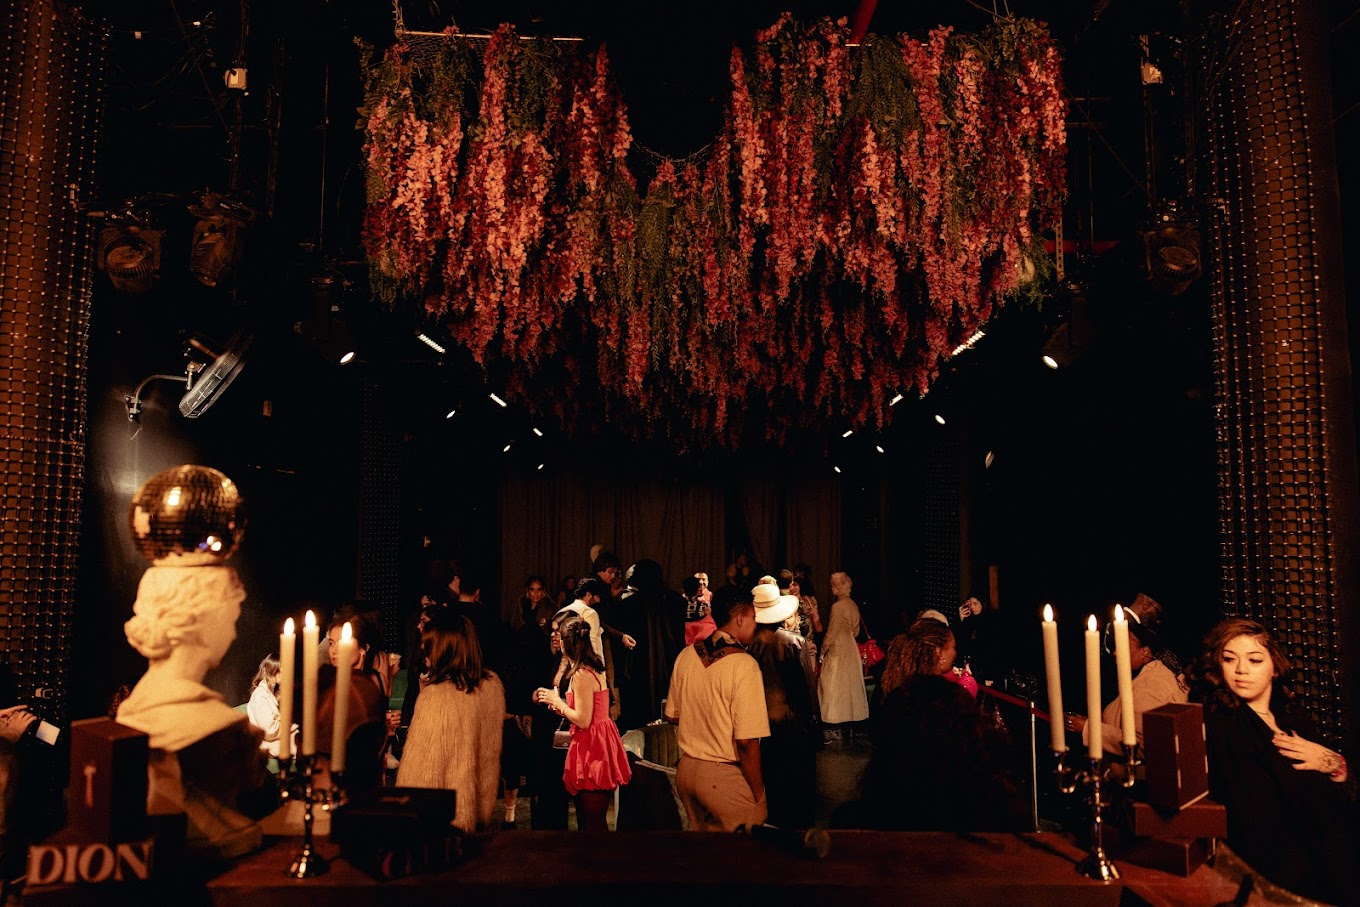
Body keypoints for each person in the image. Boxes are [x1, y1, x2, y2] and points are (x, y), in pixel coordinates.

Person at [1192, 618, 1356, 905]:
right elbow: (1254, 819)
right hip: (1280, 880)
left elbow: (1339, 793)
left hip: (1332, 861)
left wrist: (1335, 764)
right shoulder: (1222, 722)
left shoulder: (1293, 717)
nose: (1241, 670)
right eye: (1229, 659)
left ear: (1275, 667)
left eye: (1254, 660)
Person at [664, 585, 770, 832]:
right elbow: (746, 742)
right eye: (753, 618)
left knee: (703, 852)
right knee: (742, 849)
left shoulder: (687, 655)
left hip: (687, 771)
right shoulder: (744, 665)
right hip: (722, 776)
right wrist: (759, 794)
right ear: (740, 619)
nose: (755, 625)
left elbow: (672, 715)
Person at [396, 612, 505, 833]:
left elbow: (418, 776)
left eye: (429, 644)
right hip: (476, 812)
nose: (423, 649)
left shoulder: (437, 698)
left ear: (444, 648)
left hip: (440, 821)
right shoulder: (490, 687)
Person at [533, 617, 632, 831]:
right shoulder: (591, 667)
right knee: (591, 817)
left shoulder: (581, 674)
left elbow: (583, 719)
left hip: (592, 746)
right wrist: (554, 701)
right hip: (597, 740)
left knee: (592, 820)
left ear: (565, 643)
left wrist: (558, 703)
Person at [1064, 618, 1187, 755]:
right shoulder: (1157, 674)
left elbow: (1142, 745)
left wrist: (1088, 728)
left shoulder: (1148, 685)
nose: (1115, 653)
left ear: (1145, 651)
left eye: (1122, 645)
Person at [748, 586, 817, 828]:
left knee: (769, 776)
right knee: (795, 778)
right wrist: (813, 725)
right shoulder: (794, 642)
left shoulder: (748, 645)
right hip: (791, 720)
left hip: (758, 721)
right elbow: (807, 689)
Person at [818, 572, 869, 739]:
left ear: (837, 588)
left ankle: (834, 720)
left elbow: (832, 632)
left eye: (832, 585)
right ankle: (851, 719)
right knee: (849, 684)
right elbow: (856, 631)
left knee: (833, 682)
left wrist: (823, 650)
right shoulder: (853, 605)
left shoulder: (837, 607)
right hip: (851, 646)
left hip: (838, 647)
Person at [245, 655, 293, 759]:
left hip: (280, 737)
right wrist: (290, 723)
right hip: (270, 743)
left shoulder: (275, 692)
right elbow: (269, 731)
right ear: (272, 671)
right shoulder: (260, 696)